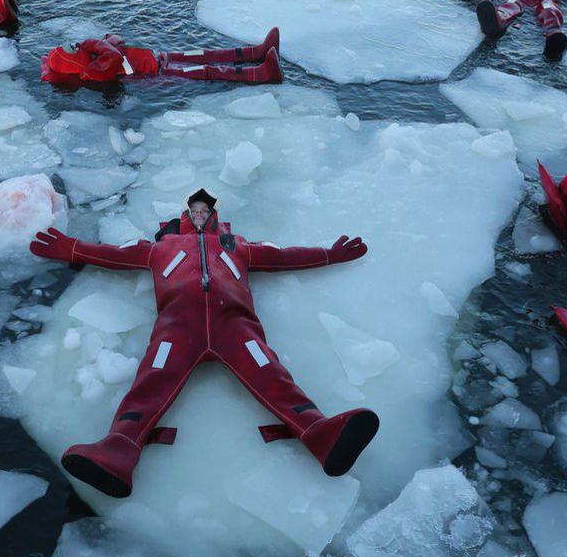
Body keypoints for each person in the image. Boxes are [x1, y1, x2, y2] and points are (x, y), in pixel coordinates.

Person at [29, 188, 378, 497]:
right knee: (152, 379)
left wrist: (329, 254)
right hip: (178, 327)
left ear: (214, 217)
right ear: (183, 216)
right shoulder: (159, 248)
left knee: (271, 373)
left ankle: (320, 432)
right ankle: (119, 449)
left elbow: (283, 256)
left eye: (204, 210)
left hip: (235, 325)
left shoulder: (240, 246)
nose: (199, 213)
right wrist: (72, 248)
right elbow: (114, 254)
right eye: (193, 209)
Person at [41, 29, 281, 87]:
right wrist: (97, 43)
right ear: (70, 62)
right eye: (72, 48)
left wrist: (102, 41)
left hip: (160, 58)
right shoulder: (92, 71)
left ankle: (256, 52)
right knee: (208, 69)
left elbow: (117, 40)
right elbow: (113, 55)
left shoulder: (94, 55)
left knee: (205, 54)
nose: (76, 44)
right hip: (158, 72)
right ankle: (259, 74)